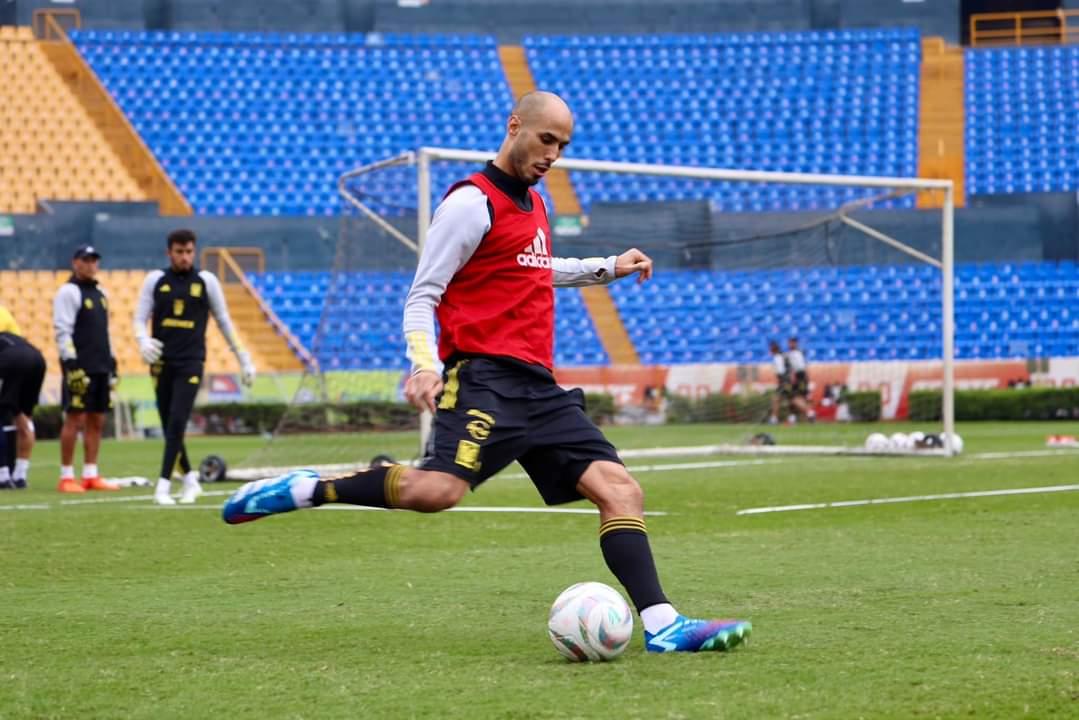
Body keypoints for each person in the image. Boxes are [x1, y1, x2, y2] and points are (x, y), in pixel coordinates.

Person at [223, 91, 751, 654]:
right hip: (485, 381)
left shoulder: (537, 205)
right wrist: (424, 364)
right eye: (546, 139)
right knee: (436, 491)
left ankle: (662, 624)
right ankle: (309, 488)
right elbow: (423, 295)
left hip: (539, 389)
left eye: (563, 146)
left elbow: (533, 270)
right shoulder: (470, 203)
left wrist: (605, 268)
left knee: (620, 489)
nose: (553, 154)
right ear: (514, 126)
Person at [133, 229, 256, 506]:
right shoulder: (155, 280)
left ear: (194, 251)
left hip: (191, 362)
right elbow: (138, 319)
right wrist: (142, 341)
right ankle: (190, 479)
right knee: (169, 427)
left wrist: (244, 358)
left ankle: (163, 486)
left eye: (189, 251)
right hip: (161, 363)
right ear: (169, 252)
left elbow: (224, 321)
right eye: (179, 252)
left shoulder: (206, 281)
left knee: (177, 421)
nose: (185, 257)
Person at [53, 245, 121, 493]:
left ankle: (91, 473)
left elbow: (105, 331)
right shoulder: (68, 292)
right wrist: (71, 364)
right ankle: (66, 475)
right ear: (75, 263)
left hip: (101, 364)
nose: (91, 264)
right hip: (80, 366)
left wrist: (113, 362)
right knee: (75, 418)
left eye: (94, 260)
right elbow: (63, 330)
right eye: (86, 260)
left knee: (97, 419)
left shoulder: (101, 293)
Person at [0, 305, 46, 490]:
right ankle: (20, 474)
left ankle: (2, 475)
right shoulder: (7, 319)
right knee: (24, 417)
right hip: (36, 358)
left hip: (11, 359)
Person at [786, 336, 814, 423]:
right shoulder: (796, 353)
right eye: (789, 342)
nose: (790, 344)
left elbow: (799, 368)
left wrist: (793, 377)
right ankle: (793, 418)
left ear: (795, 343)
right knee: (794, 399)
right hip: (800, 378)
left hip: (800, 379)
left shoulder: (795, 353)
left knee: (795, 399)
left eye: (791, 342)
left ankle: (810, 413)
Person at [768, 340, 790, 425]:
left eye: (770, 348)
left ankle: (774, 419)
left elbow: (781, 372)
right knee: (790, 399)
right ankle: (790, 418)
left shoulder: (777, 357)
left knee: (776, 399)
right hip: (788, 381)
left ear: (773, 349)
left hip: (784, 382)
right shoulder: (783, 355)